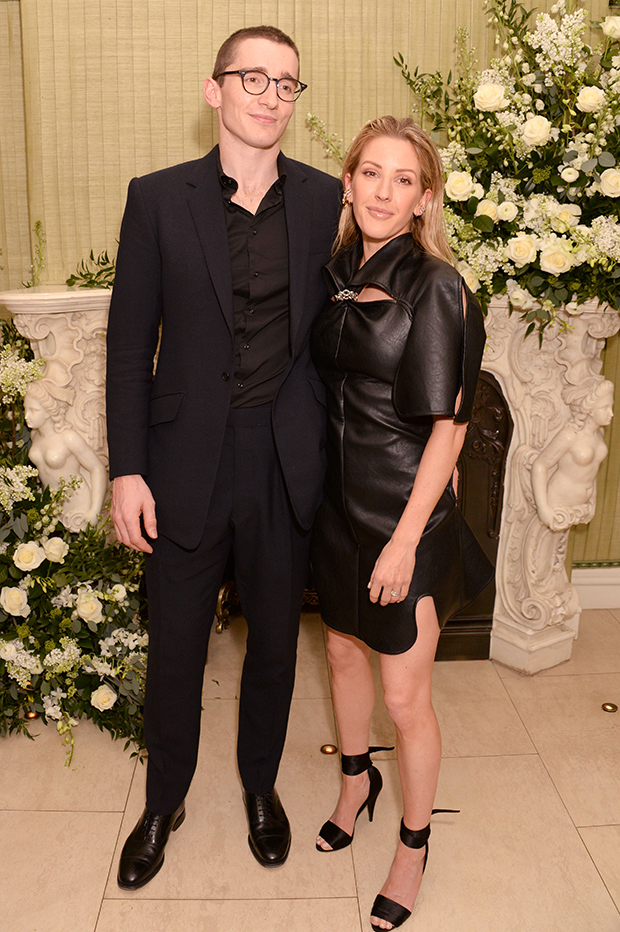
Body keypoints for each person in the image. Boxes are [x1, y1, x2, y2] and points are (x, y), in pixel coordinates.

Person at [105, 25, 341, 889]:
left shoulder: (325, 199)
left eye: (286, 83)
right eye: (253, 77)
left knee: (275, 643)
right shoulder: (156, 198)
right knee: (175, 647)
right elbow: (129, 343)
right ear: (215, 90)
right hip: (182, 462)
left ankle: (260, 788)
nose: (270, 95)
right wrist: (127, 469)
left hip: (283, 460)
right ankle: (162, 802)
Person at [310, 116, 493, 930]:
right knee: (342, 654)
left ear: (424, 199)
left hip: (403, 518)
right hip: (338, 512)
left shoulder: (437, 286)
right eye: (371, 173)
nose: (385, 191)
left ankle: (414, 845)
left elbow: (449, 426)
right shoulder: (337, 273)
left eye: (404, 179)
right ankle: (357, 781)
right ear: (348, 183)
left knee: (404, 695)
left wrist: (406, 540)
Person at [532, 378, 614, 531]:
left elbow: (592, 469)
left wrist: (592, 500)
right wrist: (543, 508)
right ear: (590, 409)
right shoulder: (570, 435)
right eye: (605, 408)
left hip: (580, 506)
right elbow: (540, 465)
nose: (611, 413)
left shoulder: (599, 434)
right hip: (558, 502)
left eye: (611, 407)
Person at [25, 380, 107, 530]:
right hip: (51, 509)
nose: (26, 416)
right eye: (25, 409)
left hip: (79, 507)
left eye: (33, 410)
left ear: (48, 411)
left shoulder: (68, 438)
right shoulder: (35, 435)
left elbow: (97, 469)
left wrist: (94, 510)